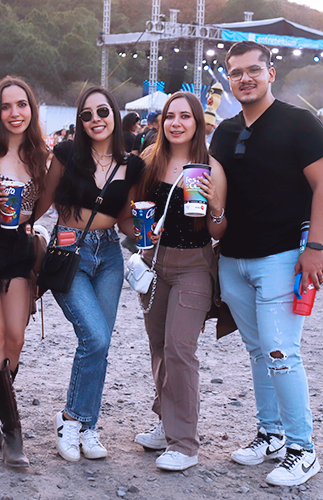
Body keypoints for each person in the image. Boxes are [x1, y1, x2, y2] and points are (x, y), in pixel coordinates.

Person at [209, 41, 323, 487]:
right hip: (233, 259)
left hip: (283, 258)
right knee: (259, 351)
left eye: (253, 70)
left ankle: (303, 449)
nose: (244, 78)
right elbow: (216, 198)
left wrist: (315, 247)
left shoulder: (300, 123)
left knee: (281, 352)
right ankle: (271, 434)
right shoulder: (224, 132)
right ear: (229, 78)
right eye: (235, 72)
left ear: (270, 73)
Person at [36, 86, 144, 462]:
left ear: (114, 114)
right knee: (95, 337)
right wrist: (16, 227)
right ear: (80, 122)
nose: (95, 119)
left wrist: (148, 233)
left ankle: (87, 426)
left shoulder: (132, 165)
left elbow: (126, 219)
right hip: (69, 252)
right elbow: (44, 199)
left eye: (102, 112)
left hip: (109, 254)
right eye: (87, 114)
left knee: (100, 343)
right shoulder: (67, 154)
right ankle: (71, 420)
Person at [133, 91, 227, 471]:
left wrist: (216, 206)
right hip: (154, 264)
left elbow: (219, 230)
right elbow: (134, 211)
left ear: (198, 123)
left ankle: (185, 444)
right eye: (170, 116)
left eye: (185, 116)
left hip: (194, 266)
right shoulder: (149, 160)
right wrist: (140, 231)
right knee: (158, 346)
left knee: (179, 349)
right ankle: (166, 423)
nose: (176, 123)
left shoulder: (211, 167)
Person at [0, 76, 48, 468]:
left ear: (31, 109)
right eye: (6, 106)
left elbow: (40, 207)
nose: (14, 113)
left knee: (16, 339)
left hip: (19, 248)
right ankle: (12, 434)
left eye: (21, 105)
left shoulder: (39, 155)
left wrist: (27, 221)